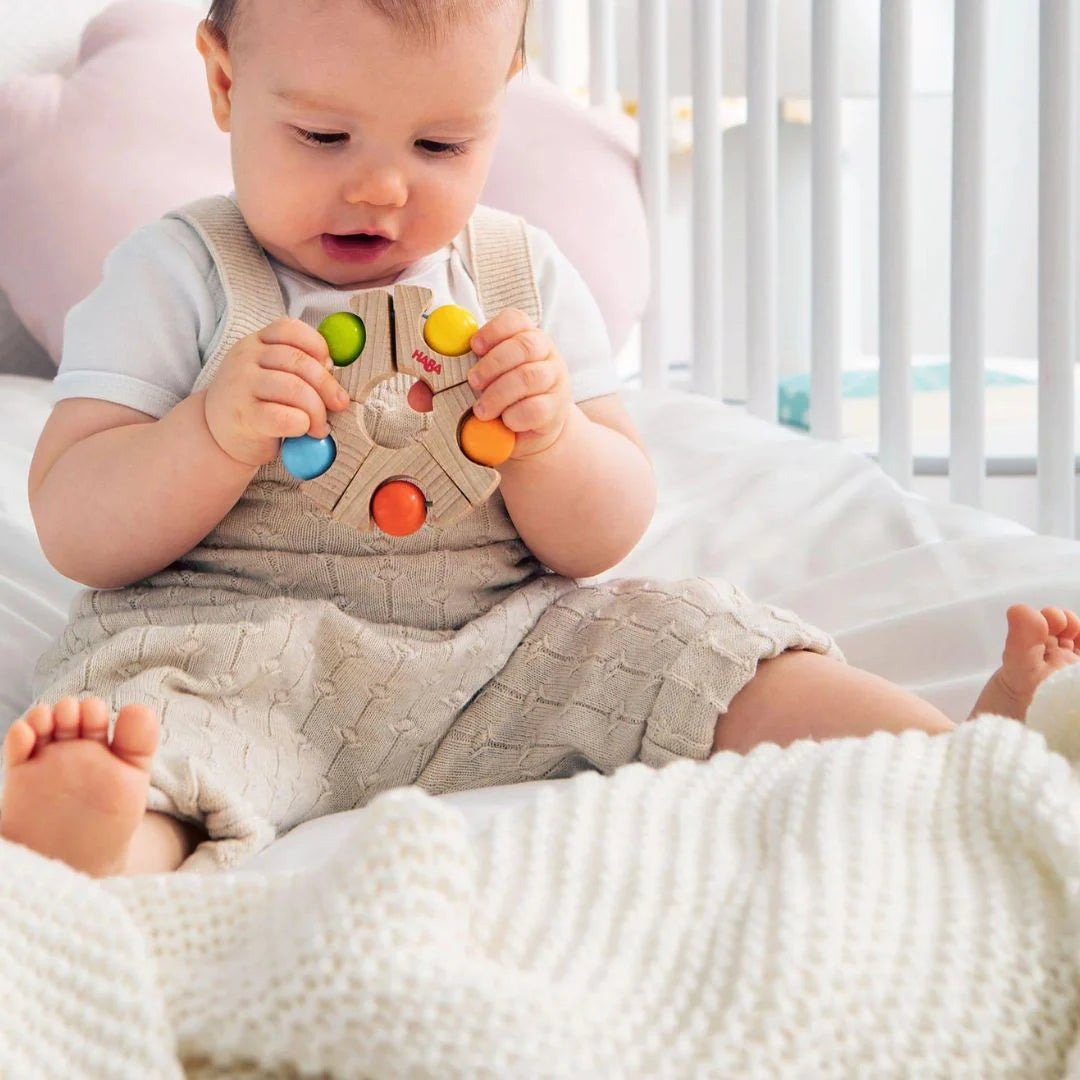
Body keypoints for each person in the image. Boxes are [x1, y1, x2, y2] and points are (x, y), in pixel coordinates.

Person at [2, 0, 1077, 879]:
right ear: (227, 83)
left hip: (500, 651)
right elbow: (79, 524)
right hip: (237, 651)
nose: (382, 184)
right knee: (145, 728)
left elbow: (600, 535)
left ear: (501, 103)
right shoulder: (177, 275)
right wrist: (207, 432)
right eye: (324, 136)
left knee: (692, 639)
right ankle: (98, 833)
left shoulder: (520, 277)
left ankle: (967, 762)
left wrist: (553, 438)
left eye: (441, 142)